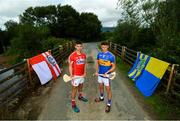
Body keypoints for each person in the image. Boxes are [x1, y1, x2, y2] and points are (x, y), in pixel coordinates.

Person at [95, 41, 116, 113]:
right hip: (100, 75)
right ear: (101, 47)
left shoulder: (111, 56)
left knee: (108, 90)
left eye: (105, 47)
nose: (104, 48)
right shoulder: (99, 54)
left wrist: (107, 72)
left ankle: (109, 104)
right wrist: (97, 71)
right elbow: (97, 63)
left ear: (108, 47)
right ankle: (101, 98)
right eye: (102, 47)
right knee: (100, 86)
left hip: (106, 76)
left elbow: (113, 67)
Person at [68, 41, 88, 113]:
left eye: (80, 46)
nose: (79, 47)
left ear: (82, 47)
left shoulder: (83, 55)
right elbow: (70, 66)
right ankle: (73, 104)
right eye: (77, 46)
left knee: (81, 85)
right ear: (75, 46)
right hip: (75, 75)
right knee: (74, 89)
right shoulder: (72, 55)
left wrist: (85, 72)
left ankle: (80, 96)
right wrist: (71, 74)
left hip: (82, 75)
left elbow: (85, 64)